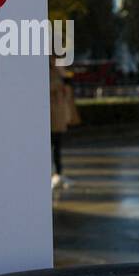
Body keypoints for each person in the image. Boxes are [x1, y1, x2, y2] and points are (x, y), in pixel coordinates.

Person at [49, 55, 79, 189]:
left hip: (58, 114)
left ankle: (58, 174)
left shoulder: (60, 70)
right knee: (52, 145)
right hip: (51, 114)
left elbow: (68, 91)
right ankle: (54, 174)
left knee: (57, 145)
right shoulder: (50, 69)